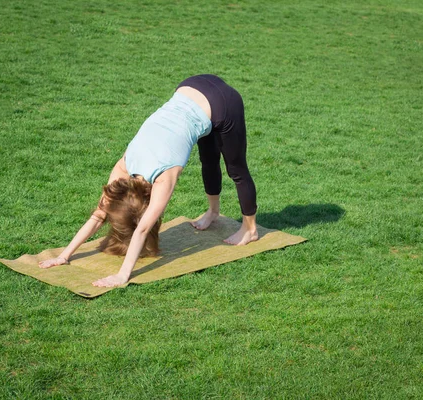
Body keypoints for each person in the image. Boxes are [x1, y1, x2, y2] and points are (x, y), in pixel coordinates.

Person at [38, 74, 258, 287]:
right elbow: (99, 215)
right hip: (191, 85)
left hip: (224, 103)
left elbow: (142, 229)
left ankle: (250, 229)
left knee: (236, 169)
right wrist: (64, 256)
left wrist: (123, 274)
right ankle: (213, 212)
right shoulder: (124, 166)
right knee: (208, 159)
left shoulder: (164, 177)